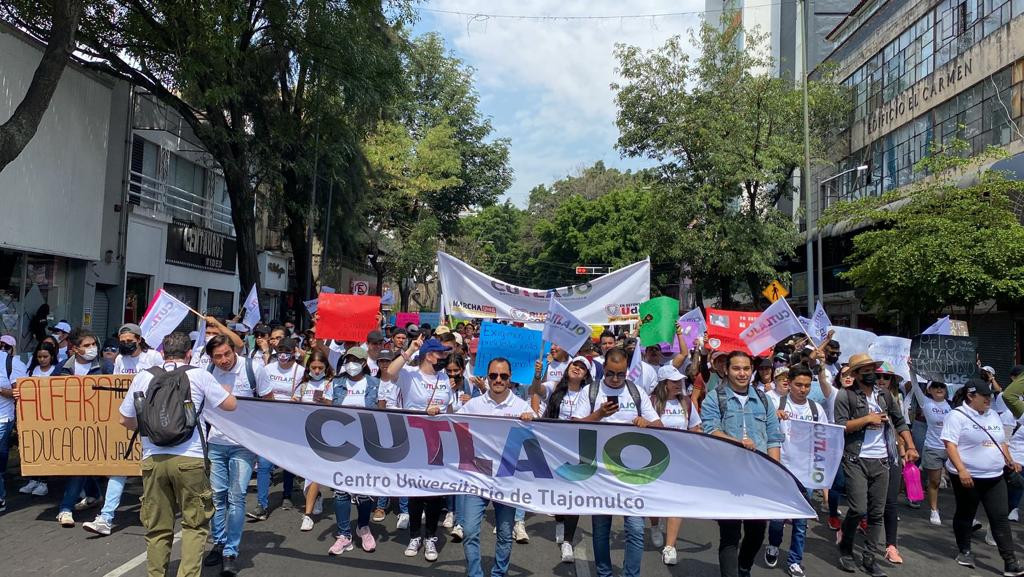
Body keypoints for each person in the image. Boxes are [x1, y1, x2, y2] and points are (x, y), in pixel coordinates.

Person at [118, 332, 238, 577]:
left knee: (157, 527)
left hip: (152, 458)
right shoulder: (199, 374)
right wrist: (225, 390)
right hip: (190, 458)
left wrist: (150, 428)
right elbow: (230, 405)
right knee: (195, 525)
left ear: (162, 354)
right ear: (189, 354)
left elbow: (125, 419)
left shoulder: (144, 376)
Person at [572, 348, 662, 577]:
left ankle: (631, 575)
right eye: (610, 374)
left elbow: (660, 428)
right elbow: (574, 426)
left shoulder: (636, 392)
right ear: (604, 370)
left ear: (627, 372)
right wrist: (599, 415)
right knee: (601, 529)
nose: (614, 379)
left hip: (632, 474)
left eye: (620, 374)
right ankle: (604, 574)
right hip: (600, 474)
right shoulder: (590, 391)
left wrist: (646, 423)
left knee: (635, 529)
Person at [833, 353, 919, 577]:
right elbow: (840, 426)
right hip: (855, 460)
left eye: (873, 369)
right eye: (866, 370)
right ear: (856, 374)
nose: (872, 373)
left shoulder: (885, 396)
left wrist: (910, 446)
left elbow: (900, 421)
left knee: (876, 512)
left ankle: (870, 557)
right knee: (858, 508)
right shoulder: (845, 396)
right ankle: (846, 547)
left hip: (882, 460)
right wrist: (866, 420)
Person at [701, 350, 784, 577]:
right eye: (736, 368)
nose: (742, 373)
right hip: (727, 476)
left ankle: (744, 567)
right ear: (726, 370)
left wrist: (774, 472)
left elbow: (774, 437)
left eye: (746, 368)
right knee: (730, 535)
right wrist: (739, 443)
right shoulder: (714, 398)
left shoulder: (764, 399)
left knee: (757, 532)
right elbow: (711, 430)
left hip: (759, 477)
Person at [82, 323, 165, 536]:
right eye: (122, 341)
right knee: (119, 468)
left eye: (130, 341)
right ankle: (106, 517)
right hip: (128, 419)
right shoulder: (119, 359)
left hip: (150, 420)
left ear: (139, 339)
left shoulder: (154, 357)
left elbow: (163, 386)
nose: (126, 345)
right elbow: (116, 387)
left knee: (150, 470)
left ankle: (155, 514)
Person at [203, 334, 274, 577]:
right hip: (216, 443)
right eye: (217, 356)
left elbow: (268, 404)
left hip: (243, 445)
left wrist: (260, 441)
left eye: (226, 354)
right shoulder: (207, 371)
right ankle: (219, 542)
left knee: (237, 496)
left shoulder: (254, 369)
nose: (223, 360)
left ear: (235, 351)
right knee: (216, 497)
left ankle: (230, 551)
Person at [458, 357, 536, 577]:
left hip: (507, 477)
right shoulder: (474, 405)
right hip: (479, 474)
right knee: (471, 531)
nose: (498, 380)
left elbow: (543, 436)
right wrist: (434, 413)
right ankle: (475, 574)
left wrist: (532, 419)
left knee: (504, 533)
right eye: (493, 375)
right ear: (487, 377)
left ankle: (498, 573)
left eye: (503, 376)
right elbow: (449, 422)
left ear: (510, 378)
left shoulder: (522, 406)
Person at [942, 378, 1024, 576]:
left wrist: (1009, 460)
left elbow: (1001, 442)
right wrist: (961, 470)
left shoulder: (993, 415)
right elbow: (950, 444)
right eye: (984, 396)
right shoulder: (956, 416)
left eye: (989, 396)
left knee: (1000, 517)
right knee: (966, 513)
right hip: (967, 476)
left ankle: (1010, 562)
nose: (989, 399)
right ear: (971, 396)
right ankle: (964, 550)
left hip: (995, 476)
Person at [384, 336, 455, 562]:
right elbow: (390, 373)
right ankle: (415, 535)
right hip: (414, 440)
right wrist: (409, 350)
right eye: (441, 353)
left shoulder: (444, 377)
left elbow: (450, 407)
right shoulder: (410, 374)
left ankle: (431, 537)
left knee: (434, 492)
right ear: (429, 355)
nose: (445, 357)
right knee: (416, 491)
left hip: (438, 441)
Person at [764, 365, 828, 577]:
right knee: (777, 518)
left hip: (806, 472)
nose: (803, 389)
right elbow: (763, 425)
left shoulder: (817, 409)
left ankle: (794, 560)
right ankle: (773, 544)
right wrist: (774, 415)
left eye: (807, 386)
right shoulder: (777, 403)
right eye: (798, 385)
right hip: (782, 469)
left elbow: (825, 437)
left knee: (801, 521)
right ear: (788, 384)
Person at [530, 355, 593, 563]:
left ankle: (567, 541)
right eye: (575, 364)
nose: (577, 368)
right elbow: (537, 391)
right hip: (556, 448)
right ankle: (559, 522)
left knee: (573, 492)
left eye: (582, 367)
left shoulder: (590, 393)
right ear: (568, 368)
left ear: (586, 374)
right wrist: (538, 374)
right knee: (558, 490)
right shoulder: (556, 387)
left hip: (579, 448)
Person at [319, 348, 380, 554]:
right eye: (348, 360)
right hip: (340, 443)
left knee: (363, 490)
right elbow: (326, 409)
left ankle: (363, 527)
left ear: (364, 363)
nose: (351, 364)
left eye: (355, 360)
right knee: (341, 489)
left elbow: (381, 412)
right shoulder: (336, 383)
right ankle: (344, 534)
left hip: (365, 444)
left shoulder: (375, 384)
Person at [650, 363, 702, 566]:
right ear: (663, 384)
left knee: (676, 499)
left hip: (681, 460)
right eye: (674, 382)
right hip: (655, 460)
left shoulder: (686, 403)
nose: (679, 384)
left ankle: (670, 546)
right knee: (654, 497)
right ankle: (654, 525)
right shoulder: (651, 402)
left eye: (680, 381)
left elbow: (695, 427)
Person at [250, 337, 305, 520]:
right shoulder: (267, 369)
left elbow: (303, 395)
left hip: (289, 422)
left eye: (287, 351)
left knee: (287, 462)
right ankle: (262, 505)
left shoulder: (300, 371)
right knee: (264, 464)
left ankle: (287, 495)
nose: (283, 354)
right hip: (269, 421)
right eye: (280, 350)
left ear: (294, 352)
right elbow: (260, 391)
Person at [16, 341, 58, 498]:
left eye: (45, 357)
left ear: (52, 357)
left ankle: (44, 482)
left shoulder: (56, 370)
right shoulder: (32, 369)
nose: (42, 359)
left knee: (45, 447)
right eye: (39, 357)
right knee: (33, 445)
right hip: (33, 413)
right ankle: (33, 479)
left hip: (49, 414)